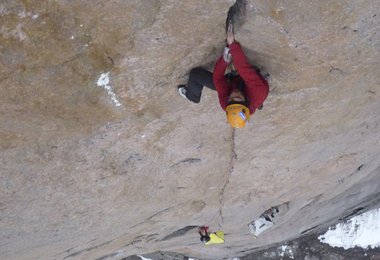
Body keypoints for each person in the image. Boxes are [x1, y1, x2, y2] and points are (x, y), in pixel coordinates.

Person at [178, 23, 269, 128]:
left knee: (196, 75)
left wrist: (224, 61)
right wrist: (232, 44)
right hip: (251, 86)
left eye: (231, 99)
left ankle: (192, 97)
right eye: (238, 98)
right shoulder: (260, 91)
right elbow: (244, 69)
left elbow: (218, 79)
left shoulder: (226, 104)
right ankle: (256, 102)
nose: (234, 94)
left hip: (233, 83)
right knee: (254, 86)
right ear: (246, 101)